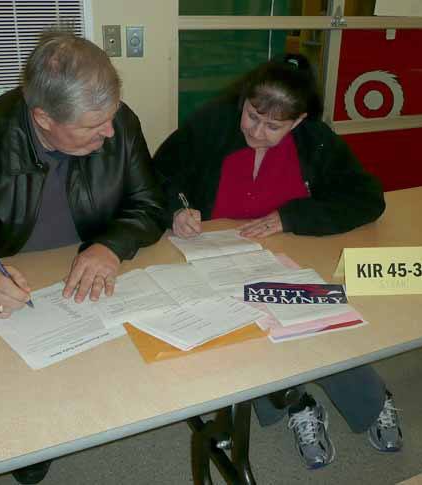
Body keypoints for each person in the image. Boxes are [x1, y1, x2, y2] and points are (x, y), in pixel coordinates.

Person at [0, 26, 165, 484]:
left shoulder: (118, 122)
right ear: (42, 118)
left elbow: (150, 205)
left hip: (86, 275)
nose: (110, 132)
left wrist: (110, 246)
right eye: (92, 127)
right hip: (1, 288)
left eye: (112, 116)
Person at [153, 54, 403, 469]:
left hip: (289, 256)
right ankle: (295, 401)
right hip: (213, 257)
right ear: (244, 102)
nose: (257, 131)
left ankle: (373, 401)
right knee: (243, 330)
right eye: (252, 116)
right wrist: (176, 210)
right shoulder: (212, 124)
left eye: (274, 126)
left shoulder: (316, 140)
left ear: (299, 121)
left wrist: (293, 217)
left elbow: (367, 198)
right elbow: (159, 175)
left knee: (318, 319)